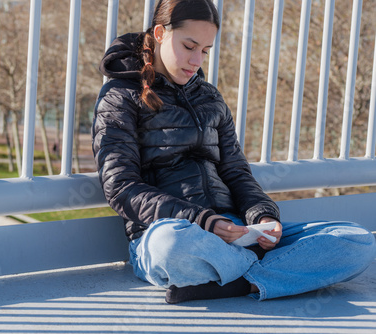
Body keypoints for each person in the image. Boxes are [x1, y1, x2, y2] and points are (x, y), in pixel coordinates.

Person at [92, 0, 375, 304]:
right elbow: (122, 187)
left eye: (205, 50)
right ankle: (274, 273)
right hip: (175, 234)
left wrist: (263, 215)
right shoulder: (119, 97)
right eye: (189, 46)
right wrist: (204, 221)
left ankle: (238, 282)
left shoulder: (210, 97)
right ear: (160, 33)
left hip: (236, 231)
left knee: (356, 241)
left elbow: (236, 172)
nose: (196, 60)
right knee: (169, 246)